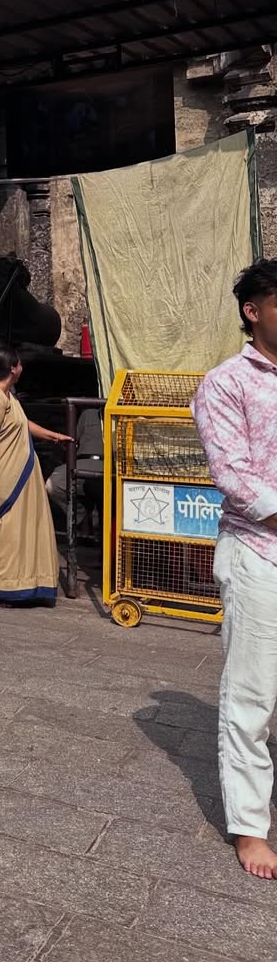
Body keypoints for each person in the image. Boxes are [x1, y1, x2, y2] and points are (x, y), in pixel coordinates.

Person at [192, 258, 277, 881]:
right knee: (253, 696)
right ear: (255, 310)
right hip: (259, 552)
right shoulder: (226, 383)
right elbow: (235, 477)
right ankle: (251, 826)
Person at [0, 345, 71, 605]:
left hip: (15, 472)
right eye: (20, 364)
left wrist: (54, 436)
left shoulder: (8, 396)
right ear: (13, 368)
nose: (22, 367)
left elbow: (22, 424)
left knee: (17, 529)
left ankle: (20, 583)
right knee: (2, 528)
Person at [46, 408, 104, 539]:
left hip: (109, 462)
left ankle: (98, 528)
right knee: (52, 484)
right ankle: (81, 516)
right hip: (83, 460)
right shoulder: (88, 413)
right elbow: (74, 440)